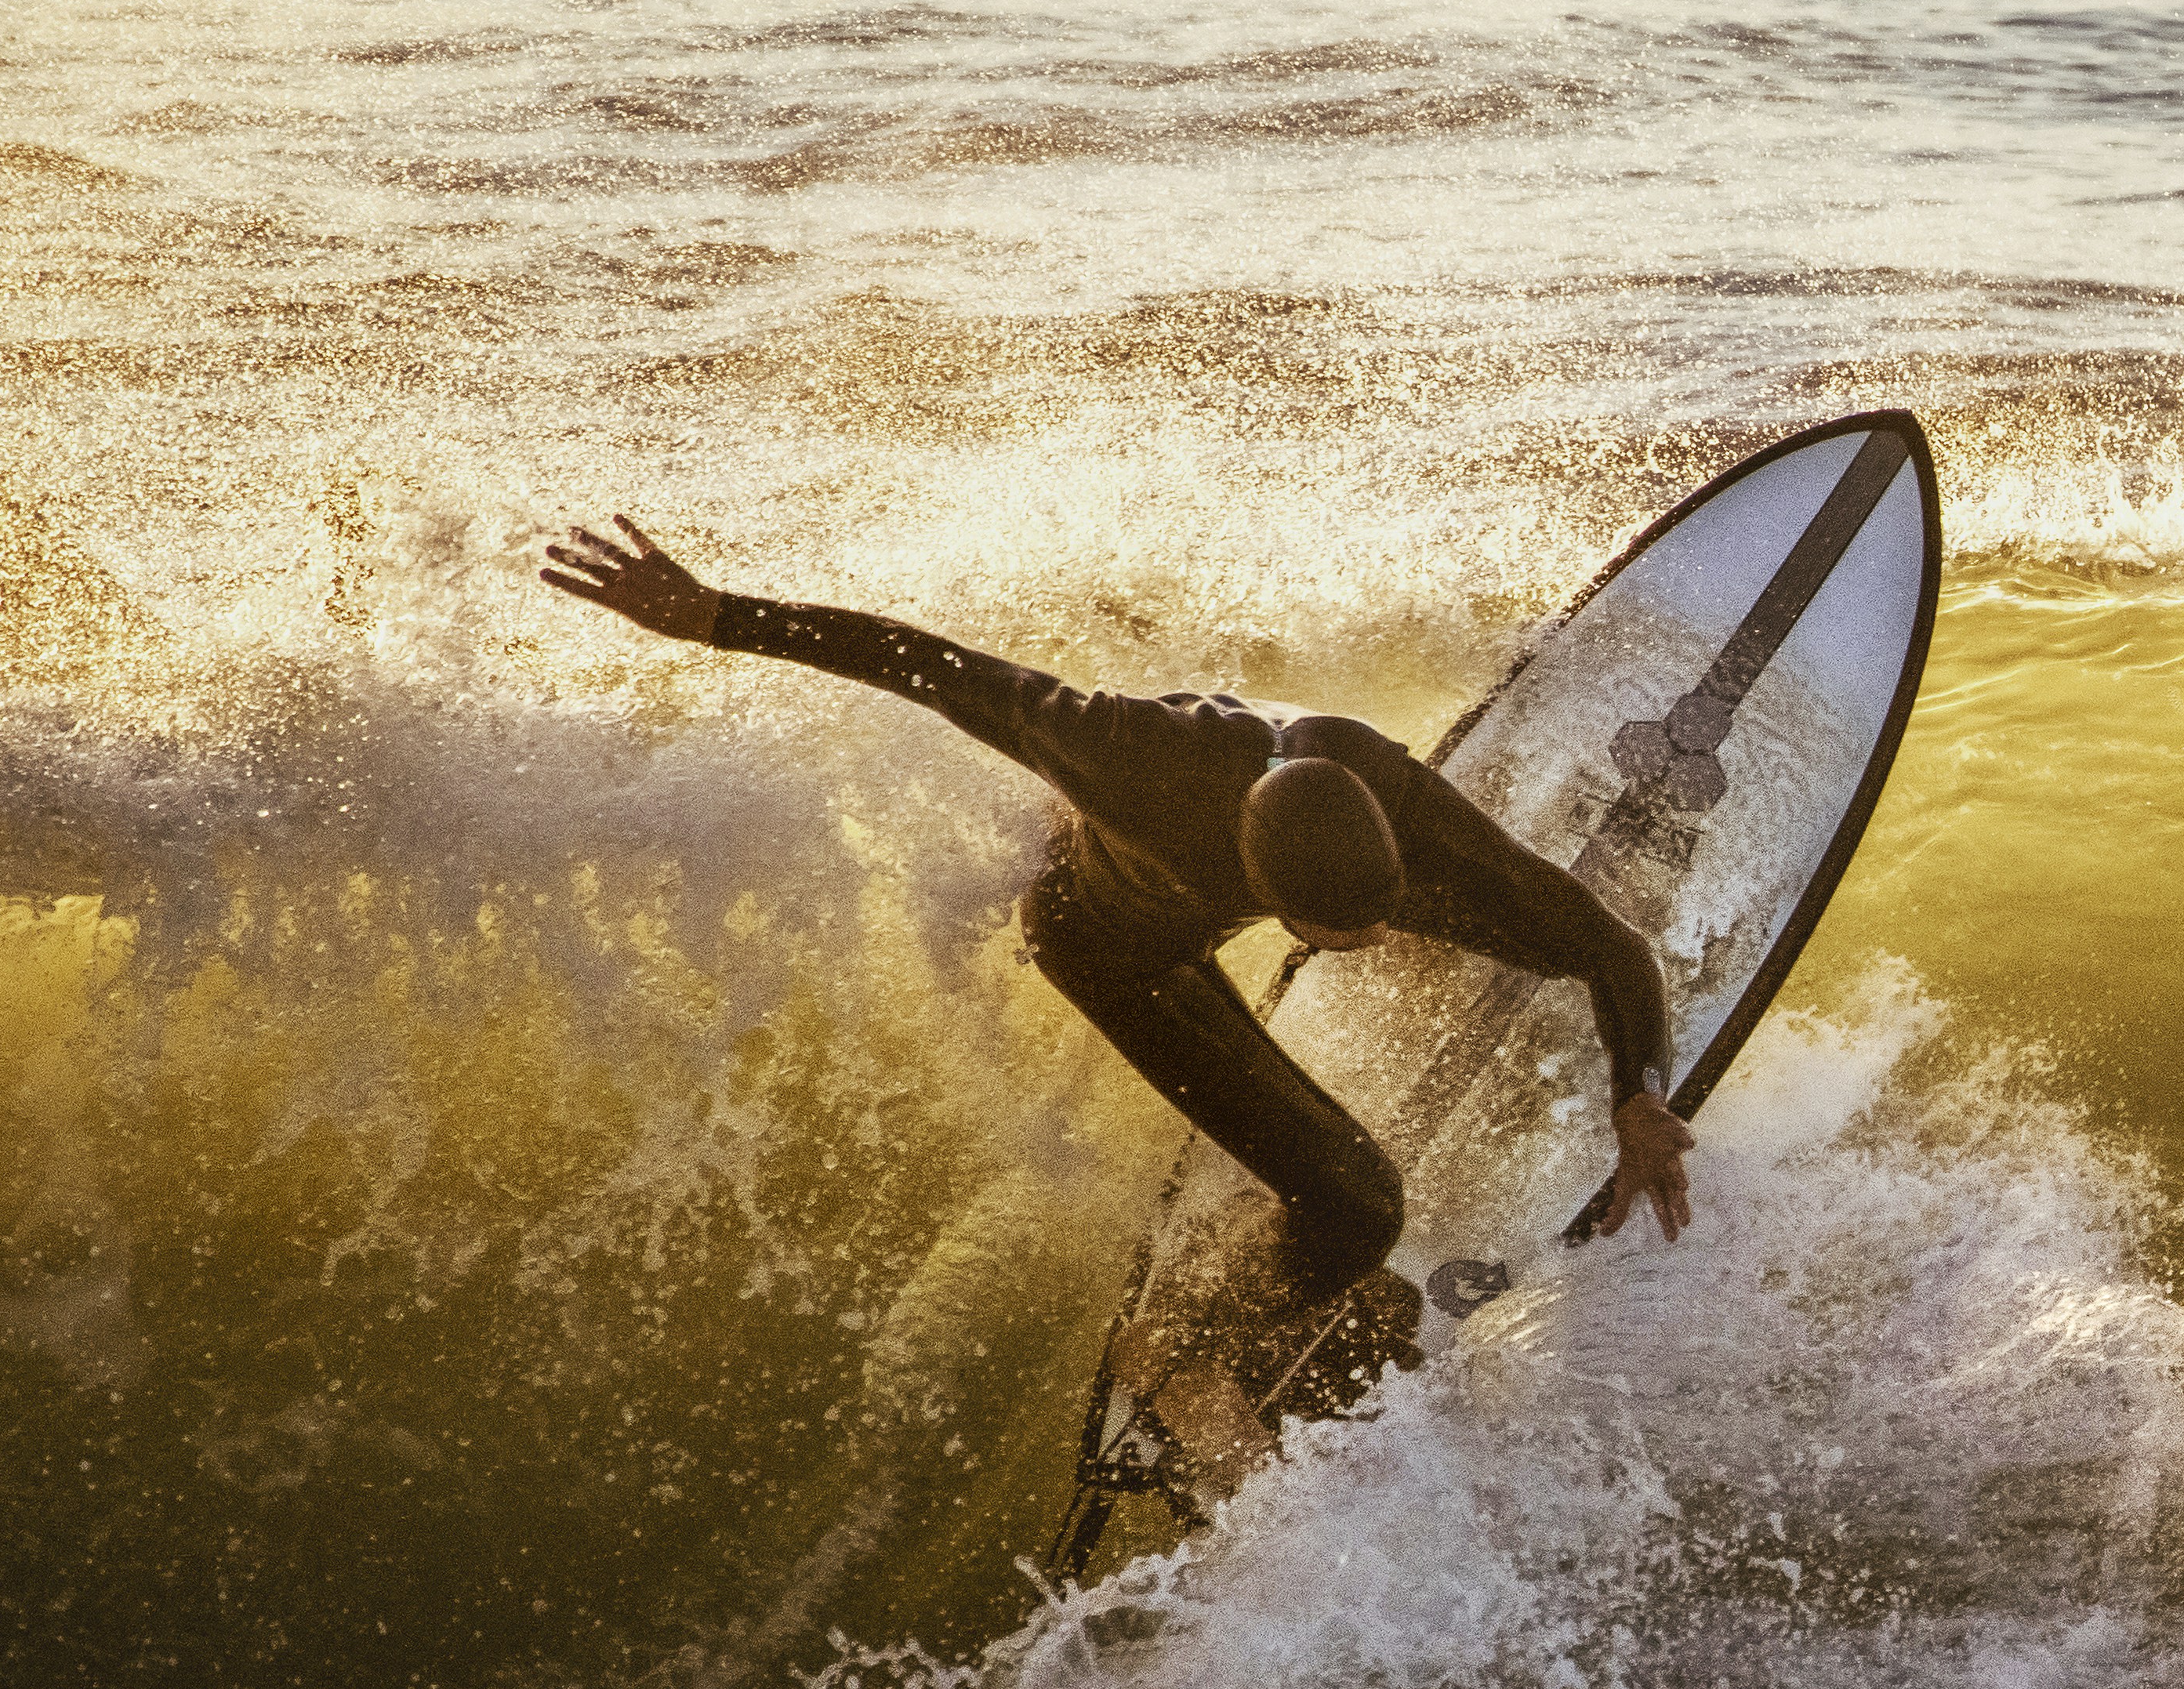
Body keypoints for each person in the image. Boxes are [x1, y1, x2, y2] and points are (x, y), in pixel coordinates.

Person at [533, 516, 1688, 1470]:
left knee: (1526, 925)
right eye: (1350, 931)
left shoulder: (1378, 784)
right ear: (1278, 898)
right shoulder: (1120, 753)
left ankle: (1308, 1201)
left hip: (1272, 847)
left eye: (1380, 910)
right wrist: (716, 615)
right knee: (1359, 1203)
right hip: (1113, 943)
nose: (1375, 936)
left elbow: (1609, 947)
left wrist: (1637, 1092)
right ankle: (1179, 1344)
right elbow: (926, 665)